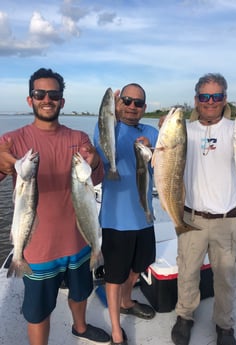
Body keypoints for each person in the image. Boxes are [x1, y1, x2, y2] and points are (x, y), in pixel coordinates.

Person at [0, 68, 111, 345]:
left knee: (80, 294)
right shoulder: (12, 140)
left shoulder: (79, 138)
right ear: (30, 100)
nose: (47, 99)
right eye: (40, 94)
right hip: (38, 249)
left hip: (80, 240)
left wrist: (95, 161)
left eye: (54, 94)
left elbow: (96, 177)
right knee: (38, 312)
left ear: (62, 101)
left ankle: (81, 327)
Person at [170, 73, 236, 345]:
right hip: (191, 216)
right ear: (196, 100)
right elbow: (164, 150)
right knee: (187, 271)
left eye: (216, 96)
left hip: (227, 219)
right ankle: (185, 316)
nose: (210, 102)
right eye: (204, 96)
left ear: (225, 98)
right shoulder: (184, 131)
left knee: (225, 276)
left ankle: (224, 325)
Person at [94, 83, 158, 345]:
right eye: (127, 101)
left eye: (138, 103)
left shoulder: (152, 132)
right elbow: (101, 145)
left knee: (139, 266)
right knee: (114, 275)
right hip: (116, 220)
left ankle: (126, 300)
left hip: (145, 216)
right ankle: (117, 331)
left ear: (144, 107)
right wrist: (112, 115)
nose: (132, 106)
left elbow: (171, 151)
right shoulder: (107, 129)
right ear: (118, 105)